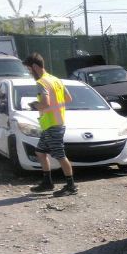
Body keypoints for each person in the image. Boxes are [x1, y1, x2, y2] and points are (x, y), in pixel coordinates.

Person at [23, 53, 77, 196]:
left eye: (29, 70)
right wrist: (53, 106)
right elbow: (68, 98)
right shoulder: (56, 79)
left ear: (35, 67)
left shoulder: (41, 82)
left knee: (59, 155)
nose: (30, 73)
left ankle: (71, 186)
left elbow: (45, 103)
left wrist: (35, 105)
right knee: (40, 152)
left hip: (52, 125)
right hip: (53, 124)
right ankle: (48, 182)